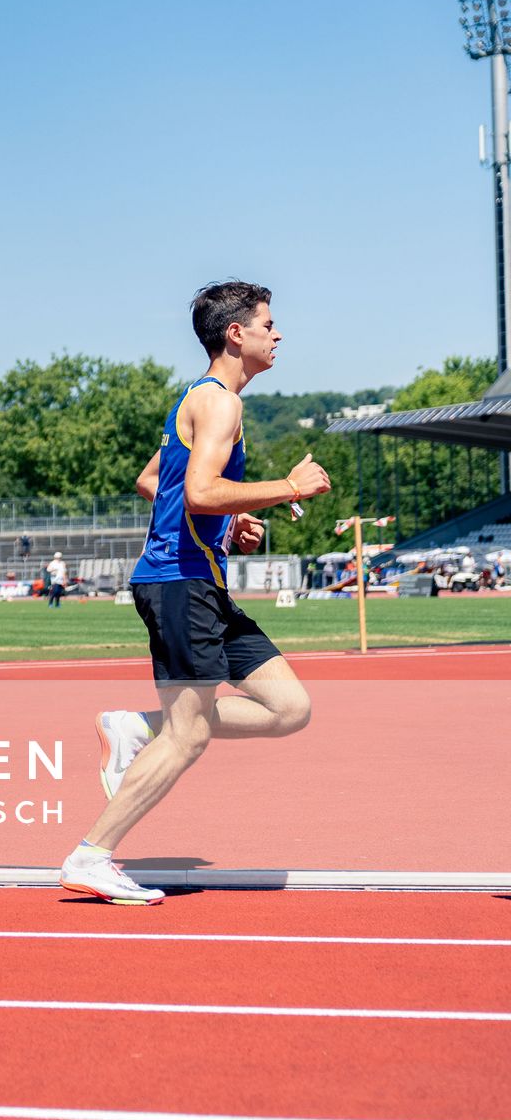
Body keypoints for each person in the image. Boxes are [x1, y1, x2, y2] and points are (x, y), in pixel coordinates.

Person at [61, 281, 331, 906]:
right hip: (178, 584)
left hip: (201, 578)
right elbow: (201, 491)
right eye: (269, 323)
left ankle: (134, 727)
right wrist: (286, 487)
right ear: (236, 334)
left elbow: (154, 480)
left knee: (289, 707)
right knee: (191, 736)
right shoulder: (220, 405)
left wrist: (226, 522)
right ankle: (91, 855)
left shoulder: (204, 400)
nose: (278, 333)